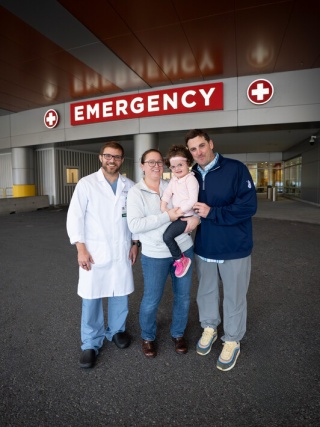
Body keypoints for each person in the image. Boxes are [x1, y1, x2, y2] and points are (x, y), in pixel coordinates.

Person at [185, 129, 257, 372]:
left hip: (235, 247)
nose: (198, 152)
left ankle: (232, 339)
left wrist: (212, 212)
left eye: (201, 146)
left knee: (235, 297)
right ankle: (209, 327)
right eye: (193, 149)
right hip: (205, 246)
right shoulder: (191, 174)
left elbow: (248, 207)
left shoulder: (236, 169)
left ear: (211, 144)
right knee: (205, 292)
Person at [66, 141, 140, 369]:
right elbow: (75, 217)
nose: (112, 160)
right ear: (101, 158)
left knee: (120, 293)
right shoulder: (86, 184)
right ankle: (90, 343)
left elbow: (135, 216)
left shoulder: (130, 185)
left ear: (121, 160)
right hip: (94, 251)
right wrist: (81, 248)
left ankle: (116, 331)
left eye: (117, 157)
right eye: (108, 156)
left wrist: (135, 242)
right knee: (92, 297)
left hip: (121, 249)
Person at [126, 149, 198, 358]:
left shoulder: (173, 184)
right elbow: (135, 224)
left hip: (183, 248)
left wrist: (196, 220)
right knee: (151, 299)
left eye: (159, 162)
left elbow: (190, 209)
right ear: (142, 166)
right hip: (155, 254)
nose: (156, 166)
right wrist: (166, 216)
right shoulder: (136, 192)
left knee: (183, 297)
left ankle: (178, 334)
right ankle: (148, 337)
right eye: (150, 162)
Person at [160, 145, 199, 278]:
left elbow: (192, 200)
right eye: (173, 166)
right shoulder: (174, 180)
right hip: (177, 215)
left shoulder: (191, 179)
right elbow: (167, 193)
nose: (177, 169)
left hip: (185, 217)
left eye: (180, 165)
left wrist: (178, 212)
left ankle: (180, 259)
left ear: (188, 162)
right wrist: (163, 206)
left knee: (167, 236)